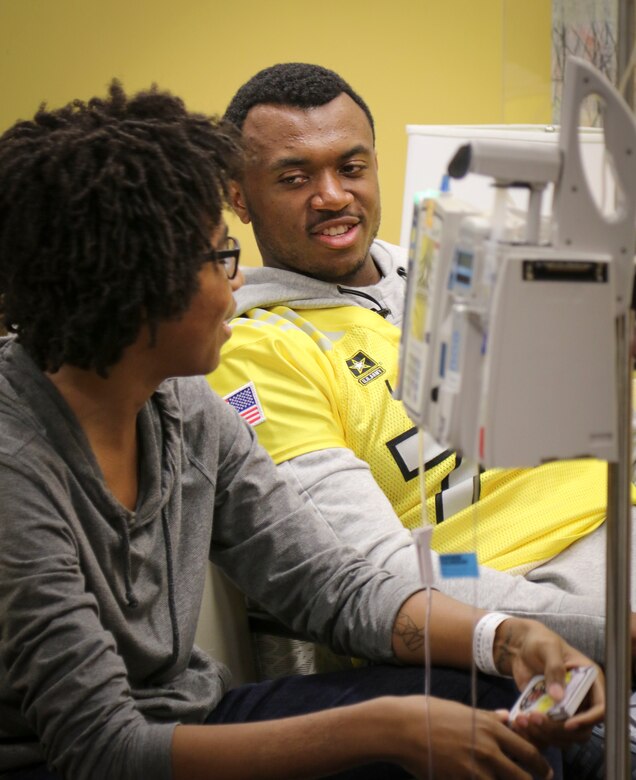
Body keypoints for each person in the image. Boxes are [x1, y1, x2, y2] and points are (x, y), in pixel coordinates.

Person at [0, 81, 602, 780]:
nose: (237, 287)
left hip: (191, 718)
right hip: (82, 762)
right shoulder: (17, 467)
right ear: (134, 285)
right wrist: (383, 728)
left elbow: (332, 586)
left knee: (508, 721)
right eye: (221, 258)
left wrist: (505, 640)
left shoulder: (186, 408)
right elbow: (102, 750)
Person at [208, 62, 636, 672]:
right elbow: (376, 572)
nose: (333, 195)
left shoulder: (465, 264)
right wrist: (600, 635)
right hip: (520, 595)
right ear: (238, 198)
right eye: (295, 177)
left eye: (351, 168)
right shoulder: (255, 350)